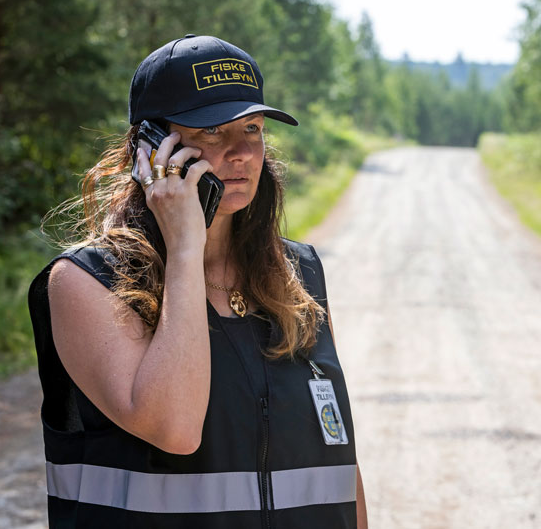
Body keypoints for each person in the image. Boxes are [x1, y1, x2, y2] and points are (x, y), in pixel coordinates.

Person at [28, 34, 367, 528]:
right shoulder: (87, 281)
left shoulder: (299, 274)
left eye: (251, 128)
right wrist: (187, 246)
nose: (240, 153)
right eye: (210, 132)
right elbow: (175, 428)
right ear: (149, 149)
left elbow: (339, 460)